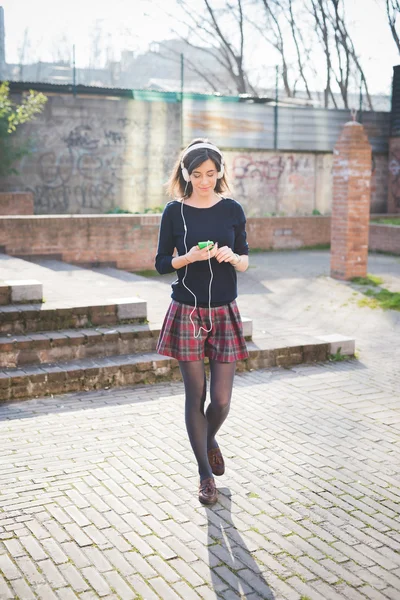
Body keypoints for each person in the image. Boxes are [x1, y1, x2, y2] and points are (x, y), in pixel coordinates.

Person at [155, 138, 249, 505]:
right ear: (186, 174)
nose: (205, 180)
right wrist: (188, 258)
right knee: (195, 395)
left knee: (221, 399)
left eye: (211, 173)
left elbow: (245, 257)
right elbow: (162, 262)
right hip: (187, 311)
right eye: (197, 174)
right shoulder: (174, 212)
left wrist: (233, 257)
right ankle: (204, 475)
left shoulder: (232, 209)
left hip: (225, 309)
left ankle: (208, 438)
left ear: (220, 172)